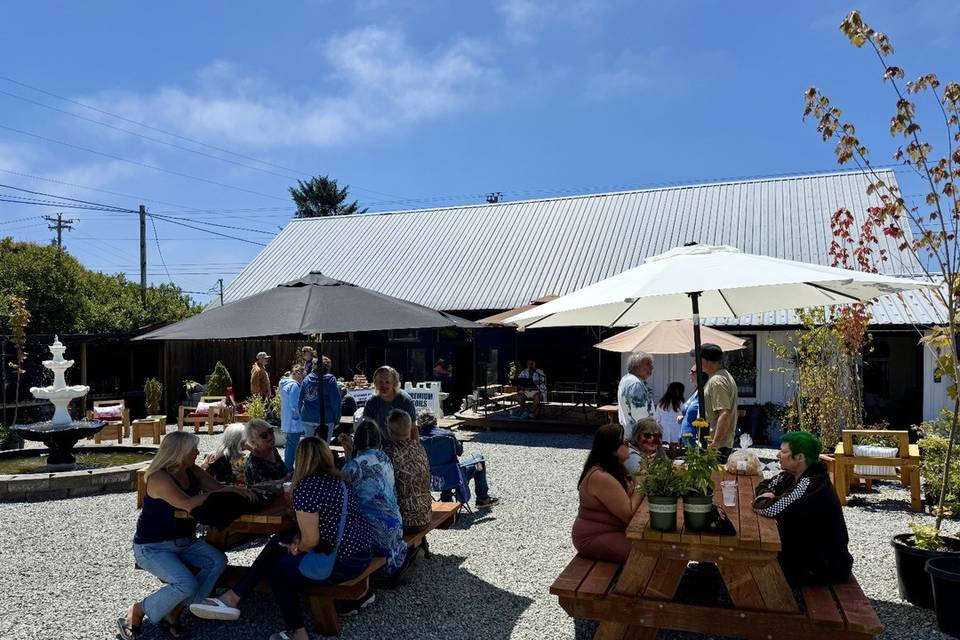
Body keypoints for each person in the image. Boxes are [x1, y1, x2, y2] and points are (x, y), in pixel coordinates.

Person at [190, 437, 377, 637]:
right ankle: (233, 597)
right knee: (282, 539)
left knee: (278, 569)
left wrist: (298, 547)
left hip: (341, 561)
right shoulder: (341, 482)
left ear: (301, 459)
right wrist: (298, 539)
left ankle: (297, 631)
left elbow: (311, 541)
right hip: (362, 550)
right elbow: (327, 523)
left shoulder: (307, 487)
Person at [118, 432, 255, 640]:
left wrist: (239, 492)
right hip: (153, 547)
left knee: (217, 560)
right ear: (179, 452)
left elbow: (217, 487)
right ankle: (138, 609)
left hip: (185, 541)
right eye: (193, 450)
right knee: (186, 583)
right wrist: (220, 494)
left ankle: (176, 610)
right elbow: (187, 504)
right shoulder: (159, 477)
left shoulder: (190, 469)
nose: (198, 453)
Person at [753, 432, 853, 586]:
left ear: (800, 458)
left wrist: (762, 500)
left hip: (822, 568)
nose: (778, 455)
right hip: (807, 556)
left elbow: (770, 509)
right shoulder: (792, 475)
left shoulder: (811, 484)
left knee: (758, 564)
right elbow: (764, 485)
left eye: (784, 452)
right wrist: (766, 494)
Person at [339, 418, 408, 575]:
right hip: (395, 526)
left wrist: (348, 454)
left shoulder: (352, 467)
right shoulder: (385, 458)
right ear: (378, 439)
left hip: (373, 535)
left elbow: (343, 494)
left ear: (357, 441)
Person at [572, 423, 643, 563]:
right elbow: (629, 514)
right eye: (626, 443)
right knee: (645, 555)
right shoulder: (601, 477)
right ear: (613, 450)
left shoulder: (615, 467)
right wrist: (641, 483)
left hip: (614, 531)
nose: (630, 446)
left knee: (655, 550)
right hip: (595, 536)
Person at [417, 410, 500, 507]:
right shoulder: (448, 435)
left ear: (419, 424)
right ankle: (482, 498)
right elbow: (460, 452)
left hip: (430, 479)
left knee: (440, 465)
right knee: (479, 457)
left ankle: (446, 496)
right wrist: (459, 443)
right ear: (435, 421)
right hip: (454, 477)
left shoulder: (417, 440)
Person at [384, 409, 432, 534]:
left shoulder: (389, 454)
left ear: (389, 431)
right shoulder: (419, 447)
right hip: (425, 515)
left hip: (405, 522)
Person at [696, 343, 738, 460]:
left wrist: (715, 444)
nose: (697, 362)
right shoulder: (722, 376)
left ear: (707, 361)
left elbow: (725, 413)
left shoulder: (717, 380)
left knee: (714, 478)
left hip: (715, 445)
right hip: (716, 443)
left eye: (699, 359)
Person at [361, 365, 418, 438]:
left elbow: (413, 428)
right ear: (375, 383)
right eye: (381, 382)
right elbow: (367, 428)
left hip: (402, 445)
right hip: (379, 446)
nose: (384, 385)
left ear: (394, 383)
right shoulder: (371, 402)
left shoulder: (405, 400)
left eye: (387, 382)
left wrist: (416, 448)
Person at [299, 356, 342, 442]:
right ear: (328, 367)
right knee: (323, 448)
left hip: (308, 417)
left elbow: (300, 400)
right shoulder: (330, 380)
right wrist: (337, 419)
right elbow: (335, 402)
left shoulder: (306, 379)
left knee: (309, 447)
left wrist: (302, 414)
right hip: (326, 419)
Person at [617, 352, 654, 438]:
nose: (652, 367)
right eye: (648, 364)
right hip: (640, 436)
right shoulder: (636, 384)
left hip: (629, 432)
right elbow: (640, 415)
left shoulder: (625, 379)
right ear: (637, 366)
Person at [243, 419, 289, 485]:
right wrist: (286, 480)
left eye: (270, 431)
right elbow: (267, 488)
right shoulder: (255, 464)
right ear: (253, 442)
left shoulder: (272, 450)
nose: (270, 436)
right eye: (264, 435)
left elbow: (284, 473)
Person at [279, 366, 305, 472]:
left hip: (287, 419)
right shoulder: (294, 386)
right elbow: (295, 405)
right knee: (292, 446)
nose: (303, 379)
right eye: (303, 376)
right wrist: (304, 414)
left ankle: (288, 468)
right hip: (293, 421)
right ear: (297, 374)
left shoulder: (285, 383)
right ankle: (289, 469)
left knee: (290, 445)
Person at [679, 367, 710, 448]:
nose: (690, 374)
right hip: (687, 440)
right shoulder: (696, 391)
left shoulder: (705, 392)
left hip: (695, 439)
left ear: (700, 374)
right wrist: (684, 417)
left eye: (692, 372)